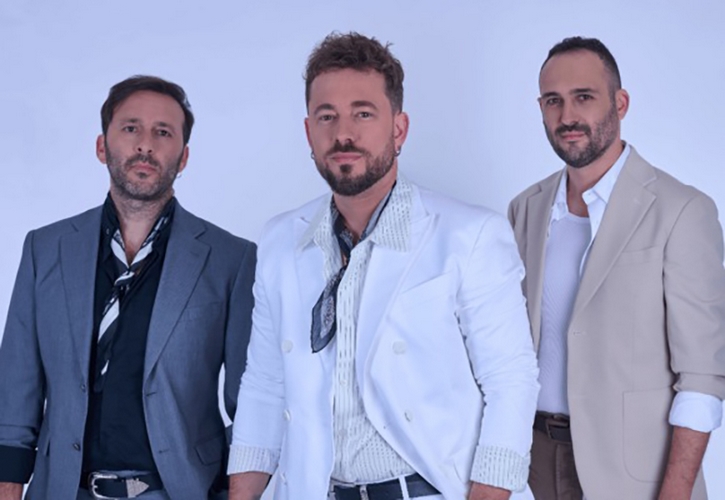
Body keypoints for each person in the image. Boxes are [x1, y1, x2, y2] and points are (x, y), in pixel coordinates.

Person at [227, 32, 539, 500]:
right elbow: (263, 386)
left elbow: (511, 381)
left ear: (399, 129)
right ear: (309, 131)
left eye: (363, 113)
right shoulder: (279, 242)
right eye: (327, 116)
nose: (343, 134)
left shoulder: (470, 236)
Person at [0, 75, 256, 500]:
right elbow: (16, 382)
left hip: (177, 491)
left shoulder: (231, 259)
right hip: (63, 490)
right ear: (102, 146)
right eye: (131, 128)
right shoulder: (45, 249)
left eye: (163, 132)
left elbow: (251, 399)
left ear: (183, 156)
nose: (145, 145)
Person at [508, 36, 725, 500]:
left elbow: (702, 377)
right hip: (531, 464)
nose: (567, 116)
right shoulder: (525, 209)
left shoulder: (682, 210)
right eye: (553, 101)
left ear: (620, 103)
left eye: (584, 97)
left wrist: (676, 492)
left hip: (636, 476)